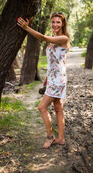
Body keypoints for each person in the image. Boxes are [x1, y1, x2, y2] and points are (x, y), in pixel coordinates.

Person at [17, 12, 70, 149]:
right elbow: (58, 61)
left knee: (42, 107)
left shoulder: (63, 38)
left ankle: (50, 136)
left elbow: (41, 37)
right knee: (58, 107)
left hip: (59, 79)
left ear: (63, 24)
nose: (55, 24)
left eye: (58, 22)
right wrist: (47, 78)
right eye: (53, 22)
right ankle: (61, 139)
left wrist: (26, 28)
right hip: (54, 77)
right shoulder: (55, 39)